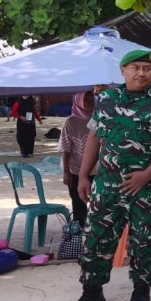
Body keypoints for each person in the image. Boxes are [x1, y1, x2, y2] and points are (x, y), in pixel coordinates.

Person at [65, 50, 151, 301]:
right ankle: (92, 291)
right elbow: (95, 137)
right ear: (123, 71)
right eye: (136, 68)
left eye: (147, 68)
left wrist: (147, 174)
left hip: (146, 187)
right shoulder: (107, 99)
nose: (142, 73)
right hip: (107, 185)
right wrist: (83, 176)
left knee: (145, 240)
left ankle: (141, 291)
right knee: (96, 238)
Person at [58, 91, 96, 225]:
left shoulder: (98, 119)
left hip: (96, 170)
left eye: (92, 99)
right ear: (79, 101)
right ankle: (79, 232)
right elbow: (65, 148)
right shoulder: (71, 121)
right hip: (75, 170)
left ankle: (94, 232)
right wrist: (66, 172)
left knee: (98, 204)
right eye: (86, 100)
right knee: (78, 204)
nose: (90, 102)